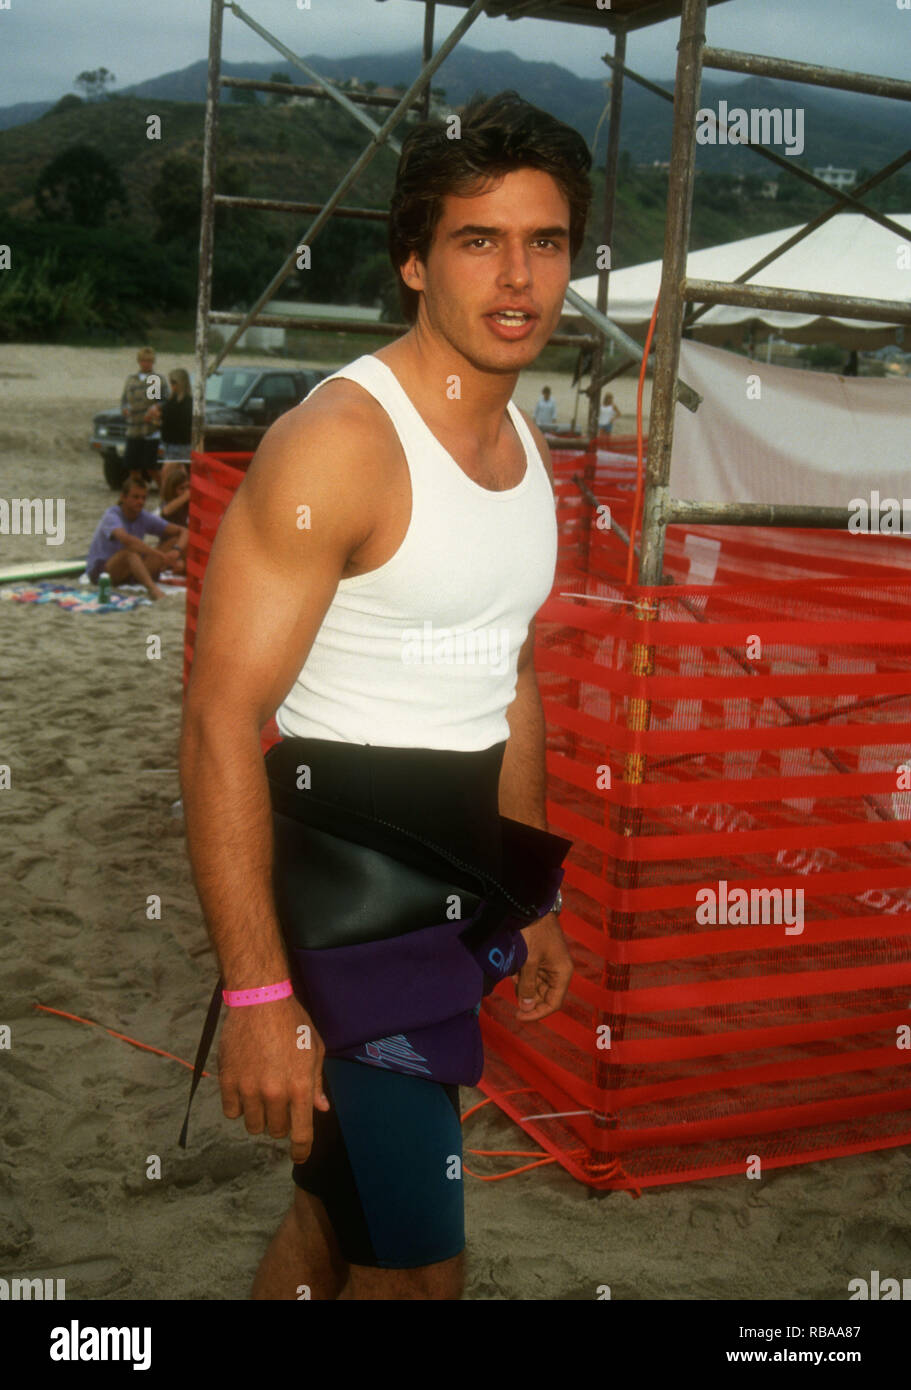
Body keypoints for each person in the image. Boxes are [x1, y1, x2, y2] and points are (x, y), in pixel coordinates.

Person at [179, 90, 588, 1301]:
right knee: (419, 1269)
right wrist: (258, 995)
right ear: (414, 260)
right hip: (345, 917)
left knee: (331, 1228)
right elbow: (215, 718)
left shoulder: (526, 455)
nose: (515, 278)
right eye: (477, 241)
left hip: (449, 907)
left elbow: (506, 675)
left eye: (545, 242)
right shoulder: (340, 444)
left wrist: (532, 892)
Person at [86, 478, 187, 600]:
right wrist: (160, 555)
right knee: (130, 554)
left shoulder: (143, 516)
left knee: (174, 541)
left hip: (132, 569)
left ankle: (183, 570)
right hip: (103, 571)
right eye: (136, 497)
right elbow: (128, 541)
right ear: (123, 497)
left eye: (143, 498)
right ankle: (153, 590)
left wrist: (176, 551)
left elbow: (184, 531)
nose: (140, 501)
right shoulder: (112, 515)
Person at [121, 346, 168, 490]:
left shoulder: (155, 380)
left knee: (150, 466)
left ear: (153, 362)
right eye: (143, 361)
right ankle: (138, 491)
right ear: (139, 362)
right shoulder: (131, 380)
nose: (146, 364)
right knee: (132, 465)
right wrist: (124, 408)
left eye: (149, 361)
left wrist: (156, 408)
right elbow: (124, 399)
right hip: (134, 427)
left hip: (150, 429)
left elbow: (164, 400)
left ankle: (165, 491)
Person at [159, 368, 192, 463]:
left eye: (174, 382)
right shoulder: (171, 401)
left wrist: (161, 417)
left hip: (181, 445)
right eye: (170, 382)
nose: (172, 385)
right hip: (167, 442)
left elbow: (181, 422)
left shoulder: (188, 402)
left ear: (181, 383)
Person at [159, 462, 190, 531]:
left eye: (187, 487)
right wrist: (186, 496)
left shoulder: (187, 502)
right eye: (181, 488)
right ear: (172, 489)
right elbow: (166, 511)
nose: (186, 491)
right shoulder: (167, 501)